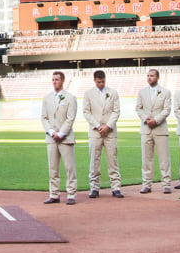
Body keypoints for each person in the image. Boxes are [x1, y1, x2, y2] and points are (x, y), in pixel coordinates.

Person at [82, 70, 123, 198]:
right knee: (94, 160)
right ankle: (94, 188)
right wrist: (98, 126)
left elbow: (116, 111)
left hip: (110, 132)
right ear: (94, 81)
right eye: (99, 82)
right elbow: (86, 112)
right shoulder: (88, 94)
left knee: (113, 160)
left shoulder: (113, 93)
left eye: (103, 81)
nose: (101, 84)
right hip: (95, 132)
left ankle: (116, 187)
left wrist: (108, 126)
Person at [40, 71, 79, 205]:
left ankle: (71, 194)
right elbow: (44, 117)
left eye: (57, 79)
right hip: (51, 138)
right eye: (53, 79)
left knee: (69, 168)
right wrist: (51, 132)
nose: (54, 81)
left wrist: (61, 133)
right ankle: (54, 194)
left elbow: (70, 118)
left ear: (63, 81)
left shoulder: (70, 97)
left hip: (65, 138)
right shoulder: (47, 98)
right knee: (53, 168)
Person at [135, 68, 173, 194]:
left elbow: (167, 110)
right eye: (148, 76)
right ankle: (146, 184)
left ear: (157, 77)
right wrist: (146, 119)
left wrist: (156, 120)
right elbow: (138, 108)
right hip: (146, 129)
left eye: (152, 76)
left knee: (164, 158)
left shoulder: (166, 92)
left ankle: (166, 184)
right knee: (146, 159)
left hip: (160, 128)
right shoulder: (142, 92)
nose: (149, 78)